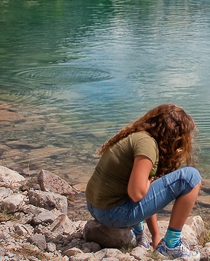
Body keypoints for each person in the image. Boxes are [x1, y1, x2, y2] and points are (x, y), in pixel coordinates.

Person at [85, 104, 202, 260]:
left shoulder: (139, 136)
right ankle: (171, 246)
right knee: (191, 177)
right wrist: (149, 181)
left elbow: (147, 197)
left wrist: (155, 236)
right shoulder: (147, 146)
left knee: (142, 182)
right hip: (110, 214)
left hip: (95, 206)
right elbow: (137, 193)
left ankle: (139, 231)